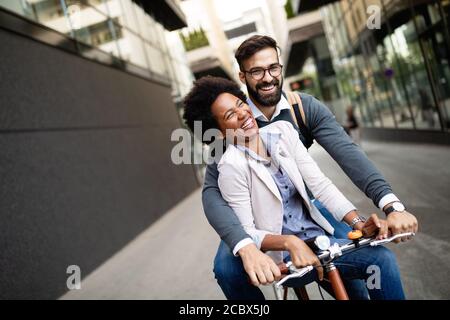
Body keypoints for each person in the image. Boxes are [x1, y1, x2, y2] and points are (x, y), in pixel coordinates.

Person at [192, 35, 418, 300]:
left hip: (303, 204)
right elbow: (211, 195)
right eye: (256, 71)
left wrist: (388, 207)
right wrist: (245, 245)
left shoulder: (300, 111)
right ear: (243, 77)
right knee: (227, 269)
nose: (267, 77)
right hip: (256, 217)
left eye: (273, 68)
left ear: (280, 67)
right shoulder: (226, 136)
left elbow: (345, 157)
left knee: (363, 263)